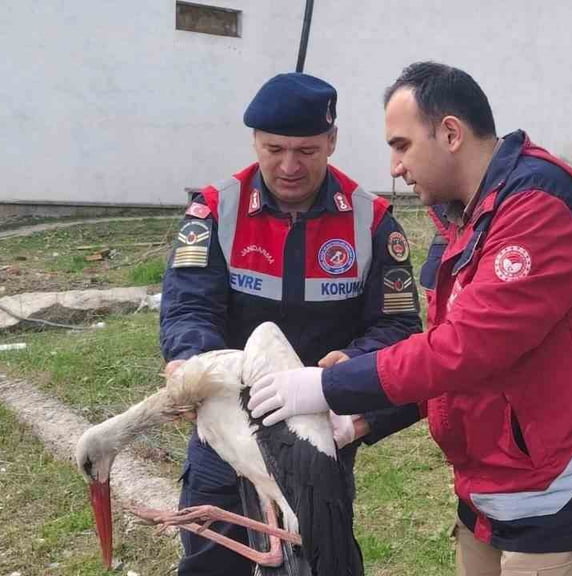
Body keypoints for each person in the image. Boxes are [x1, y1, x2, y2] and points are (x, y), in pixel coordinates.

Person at [247, 61, 572, 576]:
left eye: (402, 145)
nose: (394, 166)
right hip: (493, 486)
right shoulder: (468, 213)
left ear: (450, 132)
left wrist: (328, 385)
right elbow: (449, 353)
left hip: (560, 492)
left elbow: (471, 346)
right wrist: (369, 412)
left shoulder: (540, 205)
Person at [159, 72, 423, 575]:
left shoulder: (372, 220)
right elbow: (189, 311)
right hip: (226, 432)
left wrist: (350, 369)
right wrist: (189, 368)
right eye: (274, 148)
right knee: (212, 561)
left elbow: (399, 329)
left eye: (306, 150)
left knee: (316, 563)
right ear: (255, 141)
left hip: (315, 438)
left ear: (332, 141)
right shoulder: (216, 212)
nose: (288, 166)